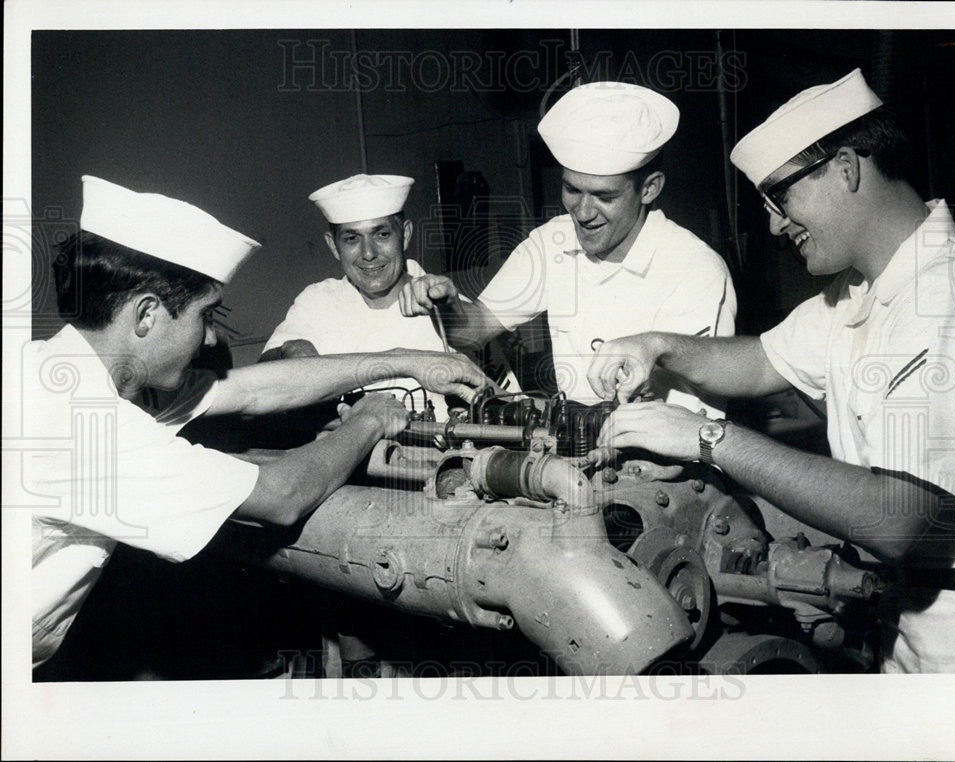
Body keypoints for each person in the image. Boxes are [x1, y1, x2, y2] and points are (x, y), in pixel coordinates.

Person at [588, 69, 955, 673]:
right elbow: (761, 360)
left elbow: (901, 519)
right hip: (902, 631)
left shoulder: (948, 299)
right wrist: (656, 345)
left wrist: (706, 439)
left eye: (781, 197)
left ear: (845, 168)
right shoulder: (860, 291)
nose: (772, 224)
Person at [25, 175, 487, 669]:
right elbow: (280, 496)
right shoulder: (86, 428)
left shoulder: (61, 374)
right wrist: (371, 419)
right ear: (146, 315)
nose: (208, 341)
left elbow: (253, 389)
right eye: (205, 316)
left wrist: (401, 359)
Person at [399, 81, 736, 411]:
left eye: (605, 197)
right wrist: (446, 304)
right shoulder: (551, 243)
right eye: (573, 190)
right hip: (579, 445)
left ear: (649, 189)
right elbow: (473, 332)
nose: (584, 213)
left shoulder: (694, 268)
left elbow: (689, 421)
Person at [261, 173, 512, 420]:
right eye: (351, 238)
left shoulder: (448, 310)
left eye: (381, 234)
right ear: (333, 246)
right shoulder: (316, 302)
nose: (368, 253)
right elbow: (258, 380)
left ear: (405, 235)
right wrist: (287, 350)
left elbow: (505, 408)